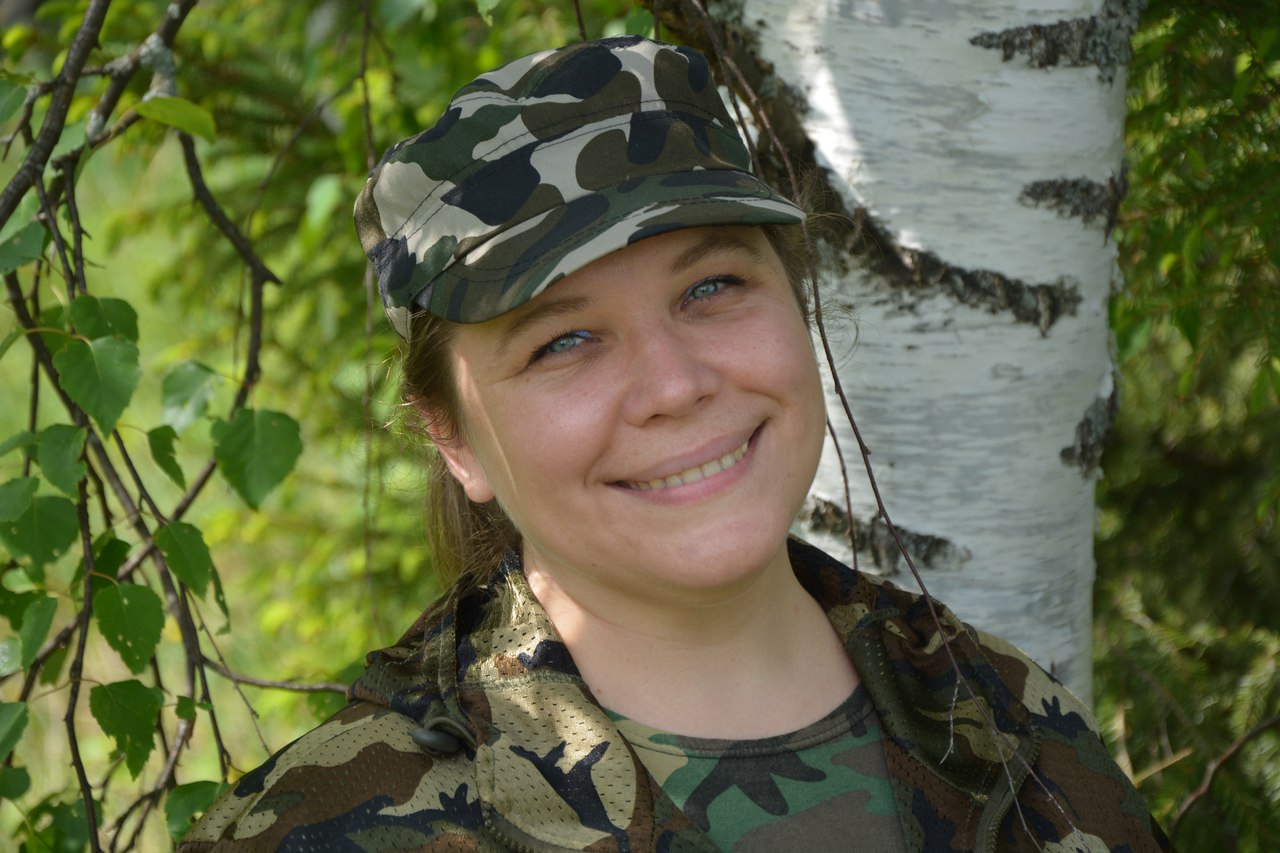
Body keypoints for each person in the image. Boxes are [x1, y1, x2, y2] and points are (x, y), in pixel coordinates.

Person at [181, 36, 1172, 852]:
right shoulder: (323, 826)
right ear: (455, 439)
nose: (674, 384)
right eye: (563, 340)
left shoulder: (1014, 726)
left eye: (711, 287)